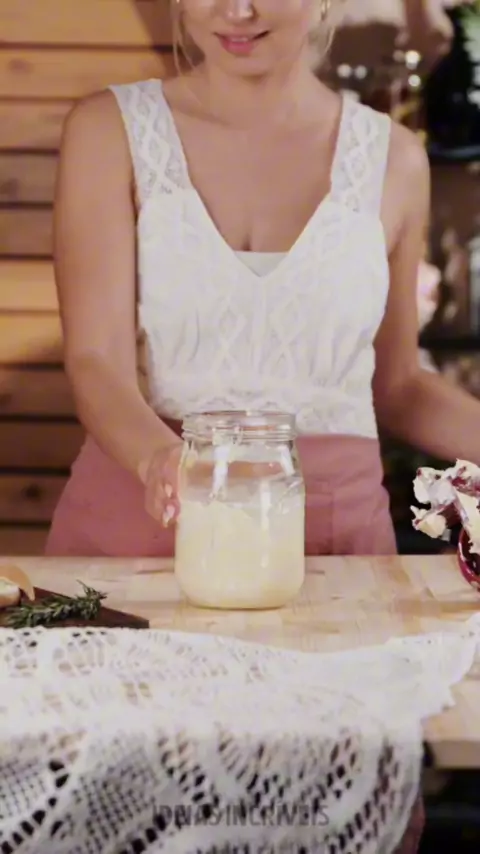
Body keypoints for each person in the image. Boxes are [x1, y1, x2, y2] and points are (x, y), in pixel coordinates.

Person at [47, 0, 480, 563]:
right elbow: (95, 360)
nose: (237, 10)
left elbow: (398, 386)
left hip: (335, 546)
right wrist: (161, 459)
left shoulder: (394, 158)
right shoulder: (108, 130)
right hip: (137, 531)